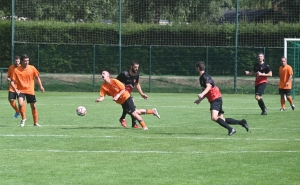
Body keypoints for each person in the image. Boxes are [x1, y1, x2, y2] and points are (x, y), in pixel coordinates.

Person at [194, 61, 249, 136]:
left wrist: (202, 94)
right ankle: (241, 122)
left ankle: (231, 129)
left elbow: (209, 86)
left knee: (214, 117)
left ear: (198, 68)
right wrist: (200, 100)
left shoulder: (205, 76)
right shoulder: (202, 77)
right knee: (222, 119)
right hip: (216, 98)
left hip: (215, 98)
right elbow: (206, 91)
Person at [116, 61, 160, 128]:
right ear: (131, 66)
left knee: (134, 111)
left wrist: (142, 94)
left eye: (137, 67)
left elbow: (137, 84)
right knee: (134, 111)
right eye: (135, 67)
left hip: (128, 95)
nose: (137, 69)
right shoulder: (124, 74)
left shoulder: (136, 75)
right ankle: (127, 120)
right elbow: (115, 82)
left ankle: (129, 121)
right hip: (121, 95)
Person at [10, 54, 45, 127]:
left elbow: (37, 77)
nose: (27, 62)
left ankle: (35, 122)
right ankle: (23, 119)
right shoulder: (16, 70)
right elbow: (12, 81)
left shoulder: (32, 68)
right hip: (20, 90)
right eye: (25, 61)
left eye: (28, 61)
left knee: (33, 107)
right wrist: (15, 89)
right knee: (20, 104)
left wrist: (41, 86)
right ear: (21, 61)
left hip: (30, 91)